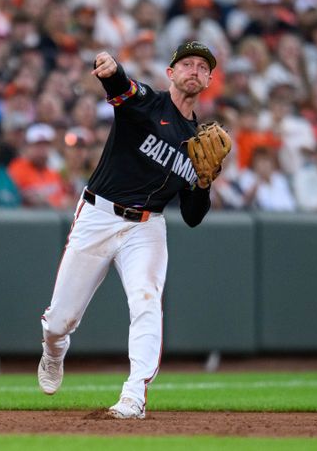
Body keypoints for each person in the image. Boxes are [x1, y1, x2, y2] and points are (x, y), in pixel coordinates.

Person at [37, 41, 227, 420]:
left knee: (146, 302)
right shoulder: (148, 103)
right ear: (171, 73)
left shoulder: (200, 144)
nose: (194, 70)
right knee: (60, 320)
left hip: (147, 227)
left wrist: (204, 183)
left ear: (208, 80)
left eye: (202, 67)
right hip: (99, 214)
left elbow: (192, 216)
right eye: (186, 63)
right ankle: (54, 351)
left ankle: (133, 396)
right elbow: (122, 87)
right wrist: (110, 68)